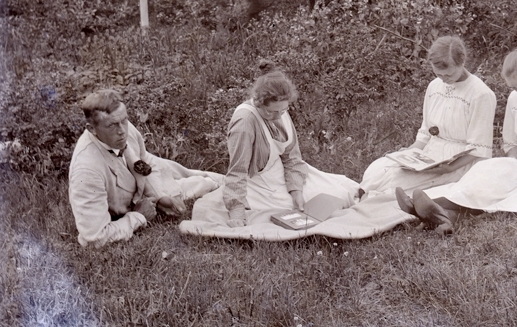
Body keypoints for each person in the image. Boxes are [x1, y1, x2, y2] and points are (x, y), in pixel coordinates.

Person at [396, 43, 517, 234]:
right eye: (514, 88)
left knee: (500, 179)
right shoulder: (516, 98)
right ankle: (446, 215)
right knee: (487, 171)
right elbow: (512, 143)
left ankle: (434, 204)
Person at [68, 90, 221, 247]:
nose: (122, 131)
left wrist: (159, 196)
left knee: (207, 180)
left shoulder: (123, 127)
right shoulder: (86, 171)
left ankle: (220, 181)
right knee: (202, 185)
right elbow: (95, 238)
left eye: (124, 120)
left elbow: (146, 161)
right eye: (112, 125)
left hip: (147, 180)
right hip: (127, 202)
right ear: (92, 129)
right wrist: (138, 216)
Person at [221, 61, 359, 227]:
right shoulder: (244, 123)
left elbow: (292, 157)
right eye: (272, 112)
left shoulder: (280, 111)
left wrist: (296, 190)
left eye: (283, 110)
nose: (278, 116)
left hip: (283, 172)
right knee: (322, 204)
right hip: (259, 185)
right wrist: (237, 213)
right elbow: (237, 171)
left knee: (345, 191)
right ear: (258, 102)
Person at [358, 36, 496, 197]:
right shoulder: (434, 86)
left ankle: (380, 199)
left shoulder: (481, 94)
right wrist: (410, 152)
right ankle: (367, 195)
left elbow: (479, 148)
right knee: (378, 168)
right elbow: (425, 134)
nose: (444, 80)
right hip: (431, 154)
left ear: (462, 63)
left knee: (396, 181)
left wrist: (448, 168)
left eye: (449, 75)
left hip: (460, 163)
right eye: (439, 75)